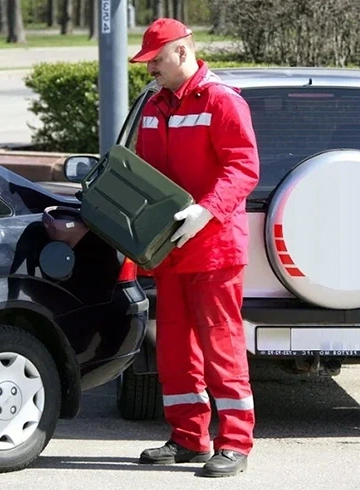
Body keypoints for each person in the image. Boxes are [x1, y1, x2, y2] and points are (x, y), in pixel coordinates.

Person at [129, 18, 261, 478]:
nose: (150, 70)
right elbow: (142, 172)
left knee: (221, 345)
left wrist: (207, 210)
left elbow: (243, 167)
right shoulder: (154, 105)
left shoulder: (222, 100)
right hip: (170, 250)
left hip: (214, 248)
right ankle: (188, 438)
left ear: (182, 53)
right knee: (175, 348)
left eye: (156, 60)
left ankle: (235, 444)